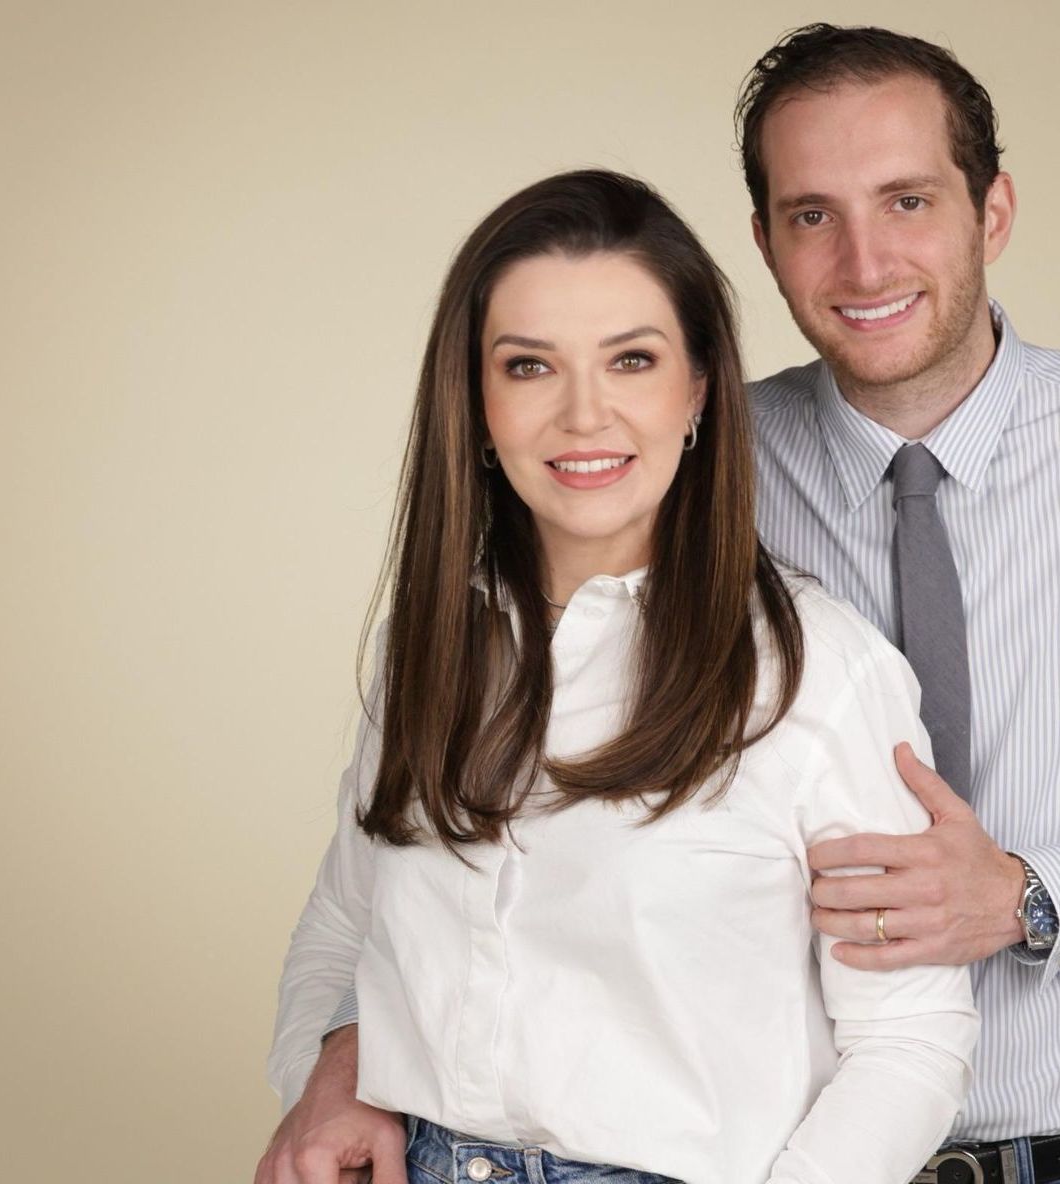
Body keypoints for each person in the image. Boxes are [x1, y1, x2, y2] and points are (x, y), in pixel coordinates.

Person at [270, 23, 1060, 1184]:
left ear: (990, 211)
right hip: (769, 1140)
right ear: (763, 242)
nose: (861, 262)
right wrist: (354, 1051)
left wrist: (1033, 895)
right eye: (811, 215)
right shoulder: (675, 471)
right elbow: (430, 871)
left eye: (905, 201)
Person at [259, 169, 977, 1184]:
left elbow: (909, 1044)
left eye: (631, 360)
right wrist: (330, 1069)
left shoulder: (817, 674)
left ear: (694, 392)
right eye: (529, 366)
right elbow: (343, 927)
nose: (583, 414)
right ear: (476, 400)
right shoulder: (425, 645)